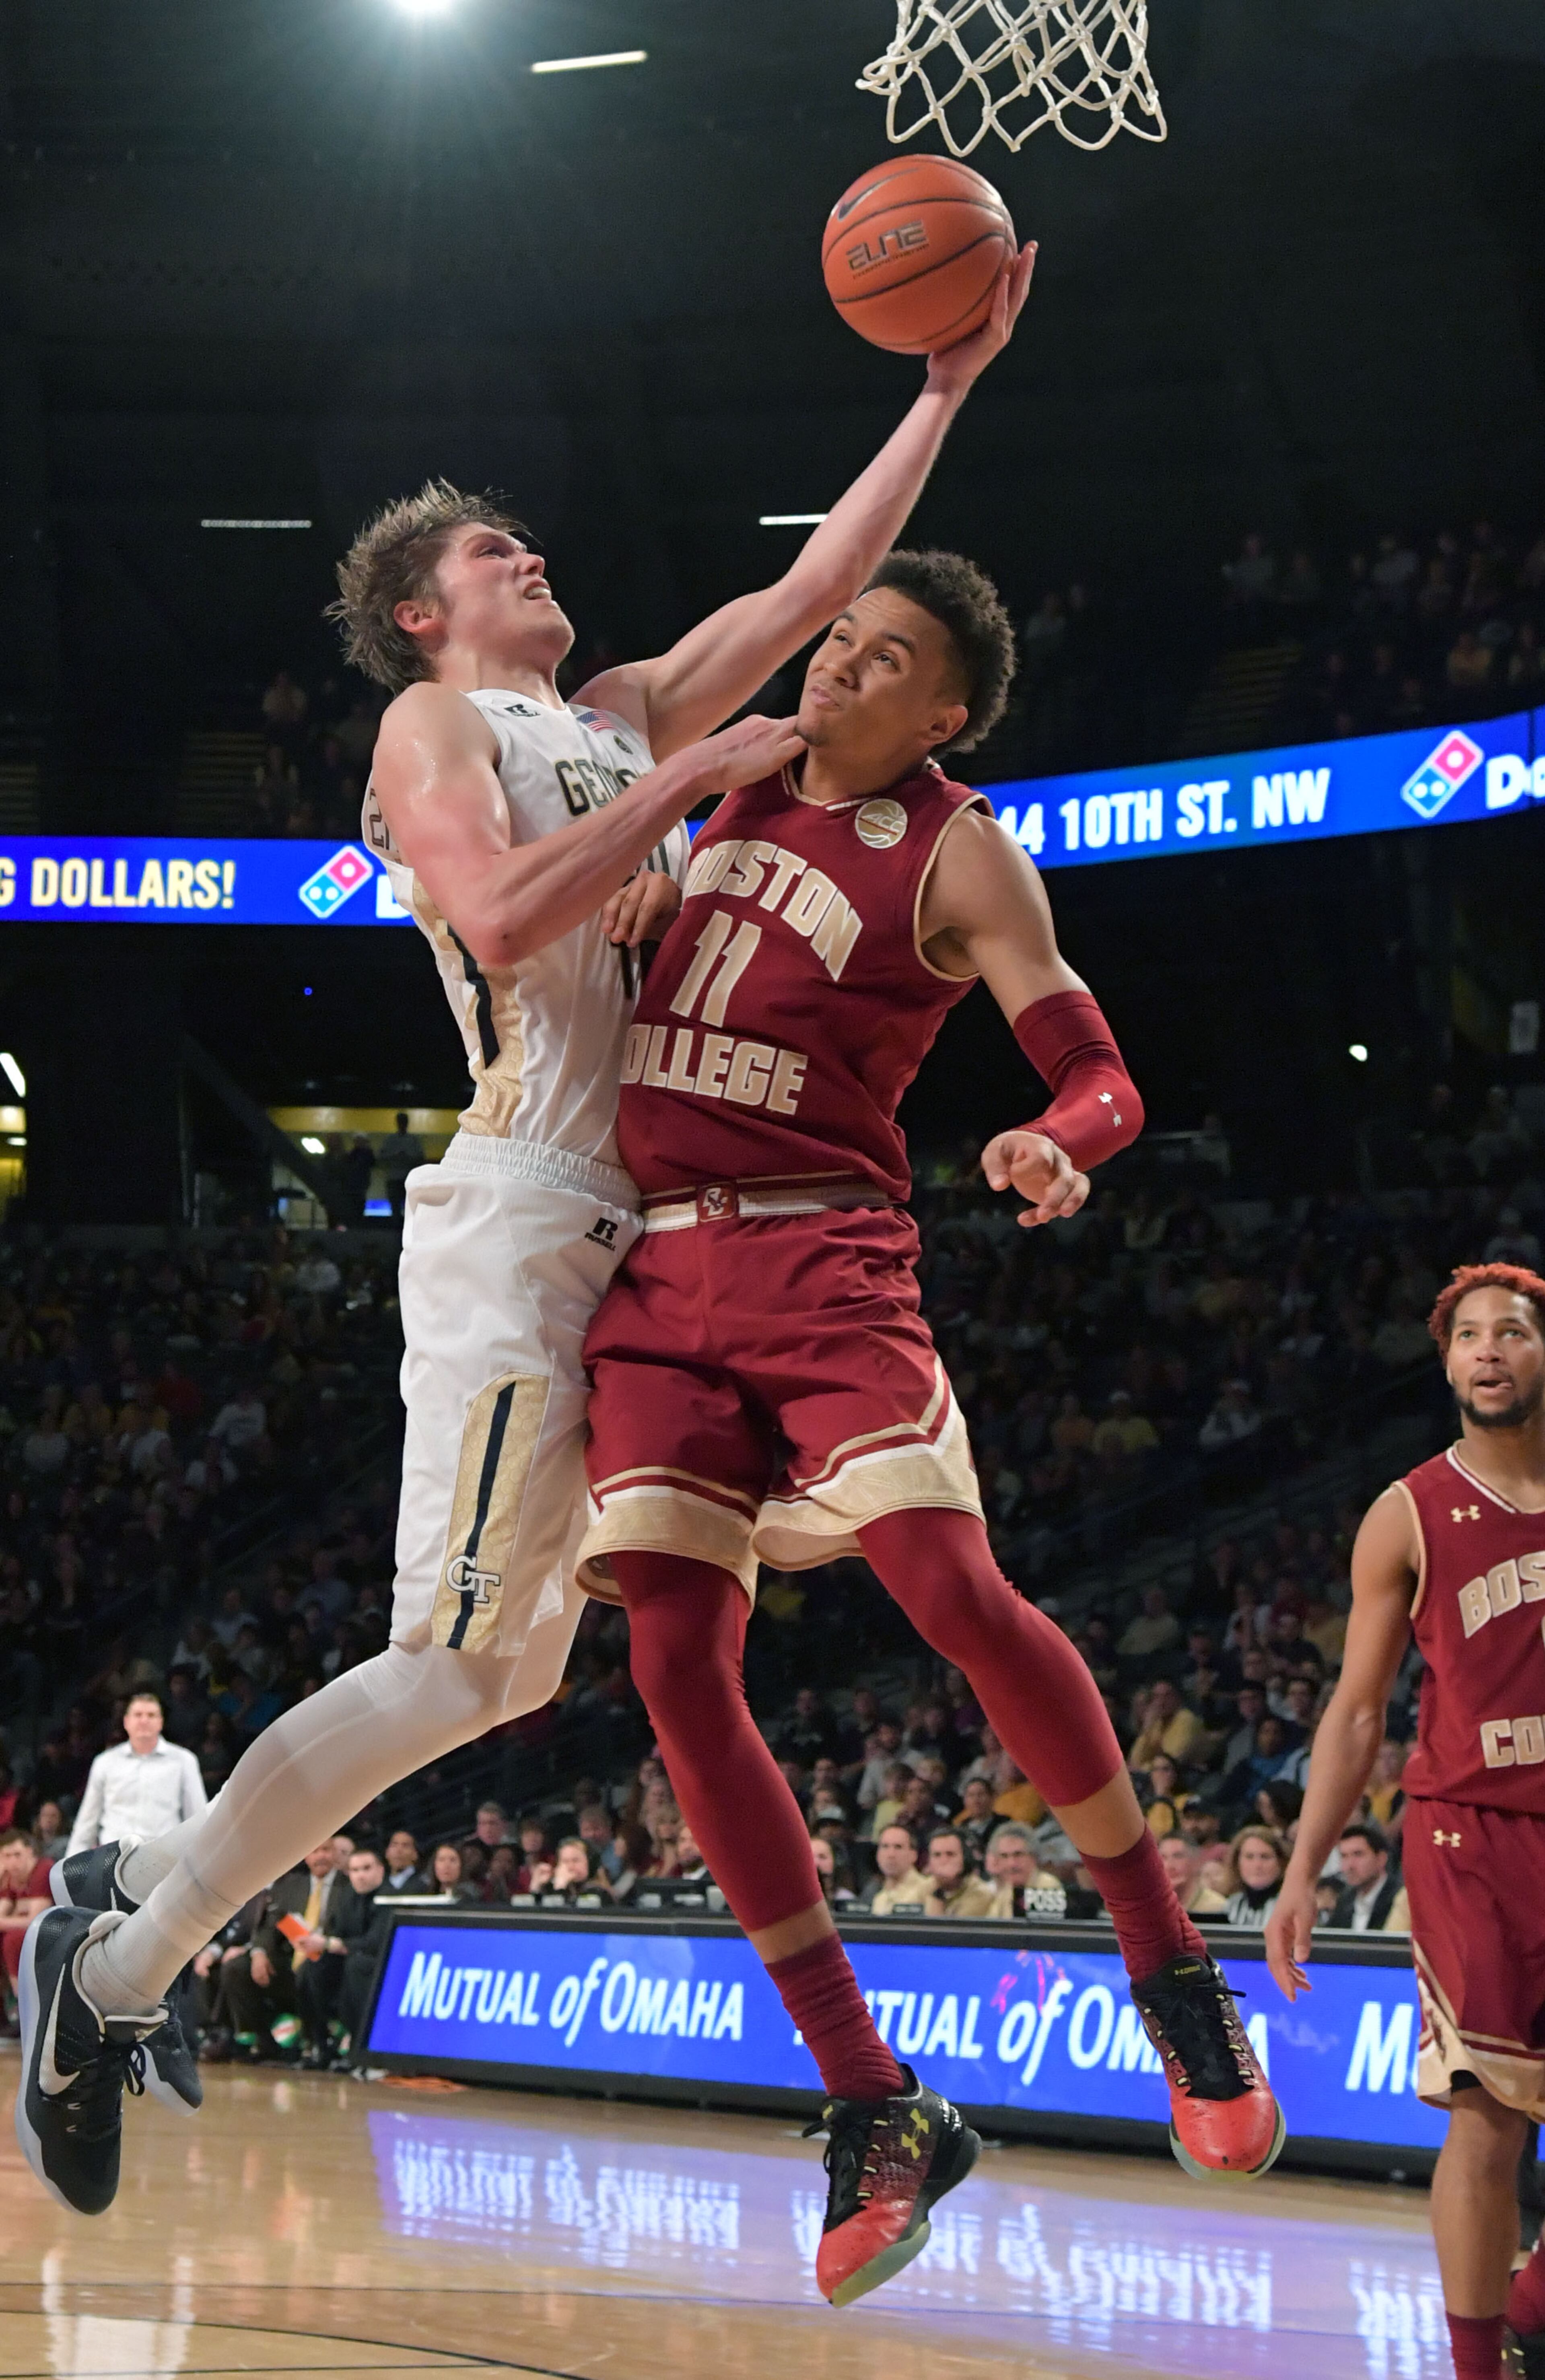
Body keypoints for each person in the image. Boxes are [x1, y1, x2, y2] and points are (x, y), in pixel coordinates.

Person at [15, 258, 1035, 2232]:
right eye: (495, 548)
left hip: (653, 1234)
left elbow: (813, 596)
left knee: (497, 1684)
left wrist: (946, 388)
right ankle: (115, 1960)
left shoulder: (624, 700)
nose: (529, 549)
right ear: (429, 609)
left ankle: (118, 1951)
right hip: (528, 1207)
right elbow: (492, 927)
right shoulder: (433, 727)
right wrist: (687, 788)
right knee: (448, 1659)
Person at [576, 544, 1282, 2303]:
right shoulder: (725, 780)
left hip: (825, 1255)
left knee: (947, 1592)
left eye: (884, 662)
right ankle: (872, 2098)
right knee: (672, 1665)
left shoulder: (960, 847)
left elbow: (1102, 1070)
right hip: (654, 1279)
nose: (839, 671)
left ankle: (1167, 1969)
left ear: (943, 713)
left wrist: (1064, 1143)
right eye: (837, 642)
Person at [1267, 1264, 1545, 2380]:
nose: (1489, 1350)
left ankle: (1527, 2299)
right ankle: (1478, 2366)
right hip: (1468, 1836)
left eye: (1514, 1333)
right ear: (1446, 1363)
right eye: (1469, 1335)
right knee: (1487, 2114)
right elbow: (1356, 1711)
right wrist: (1301, 1872)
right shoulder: (1409, 1510)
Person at [60, 1692, 206, 1861]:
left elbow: (198, 1819)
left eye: (151, 1715)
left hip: (164, 1860)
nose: (144, 1721)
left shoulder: (184, 1761)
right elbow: (87, 1822)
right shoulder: (106, 1762)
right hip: (113, 1859)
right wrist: (72, 1869)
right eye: (138, 1715)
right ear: (126, 1722)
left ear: (161, 1722)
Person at [1326, 1822, 1409, 1933]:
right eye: (1344, 1856)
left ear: (1381, 1859)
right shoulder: (1344, 1901)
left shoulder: (1400, 1899)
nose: (1350, 1866)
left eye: (1358, 1854)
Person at [922, 1828, 995, 1919]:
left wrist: (938, 1894)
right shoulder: (924, 1887)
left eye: (950, 1854)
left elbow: (947, 1931)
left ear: (965, 1859)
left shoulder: (981, 1894)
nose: (944, 1861)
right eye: (937, 1855)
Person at [1222, 1827, 1285, 1928]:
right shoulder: (1230, 1906)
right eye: (1249, 1857)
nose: (1257, 1865)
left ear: (1281, 1862)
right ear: (1237, 1863)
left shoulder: (1292, 1906)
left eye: (1265, 1857)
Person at [866, 1824, 931, 1917]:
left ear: (914, 1855)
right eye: (885, 1847)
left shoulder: (927, 1890)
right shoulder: (879, 1899)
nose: (891, 1854)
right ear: (878, 1854)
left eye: (898, 1847)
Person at [1159, 1832, 1228, 1919]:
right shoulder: (1151, 1905)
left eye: (1178, 1857)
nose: (1169, 1866)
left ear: (1196, 1862)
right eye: (1163, 1857)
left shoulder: (1217, 1907)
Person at [378, 1112, 426, 1221]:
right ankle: (396, 1228)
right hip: (394, 1178)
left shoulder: (413, 1140)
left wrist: (408, 1157)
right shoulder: (391, 1140)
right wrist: (395, 1156)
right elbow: (382, 1157)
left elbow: (420, 1157)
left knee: (410, 1207)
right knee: (395, 1207)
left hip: (409, 1178)